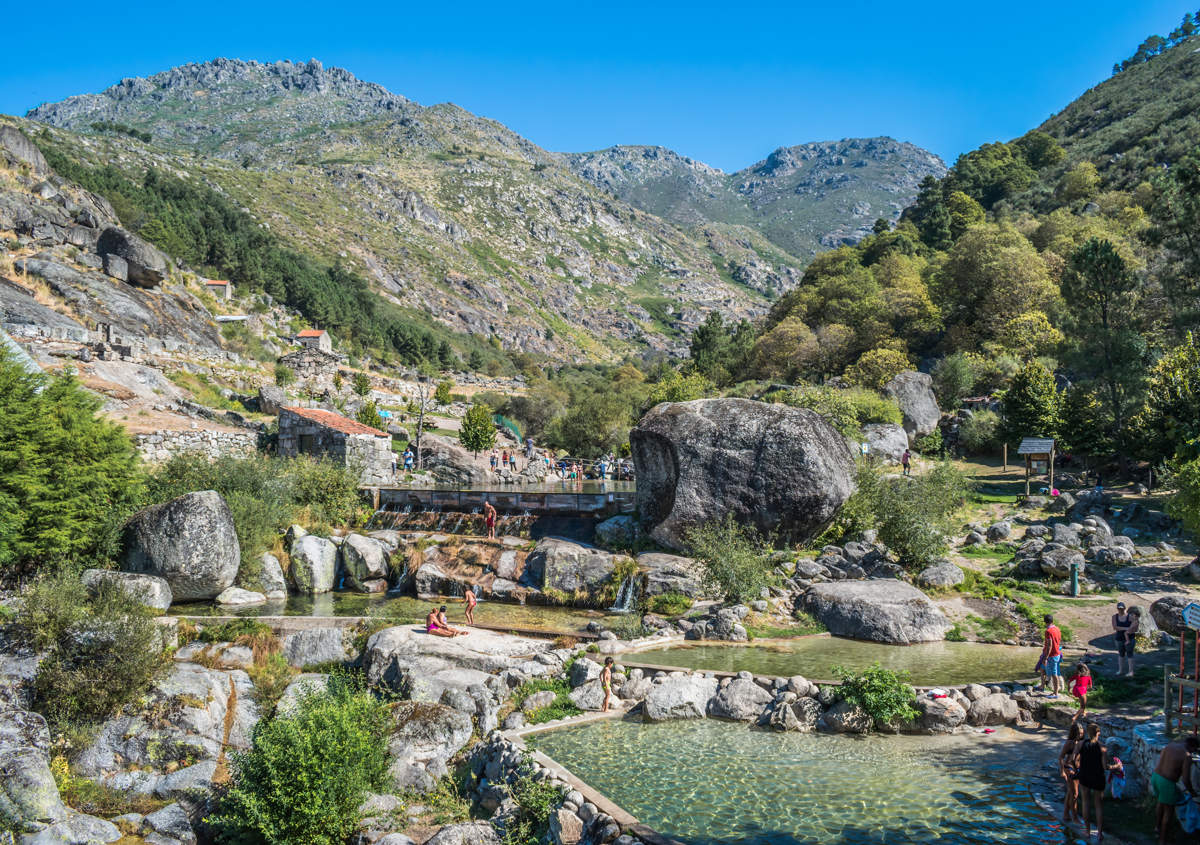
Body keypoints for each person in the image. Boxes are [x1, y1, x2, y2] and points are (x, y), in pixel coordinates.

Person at [1154, 734, 1199, 844]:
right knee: (1169, 811)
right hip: (1167, 782)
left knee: (1160, 803)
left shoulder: (1171, 745)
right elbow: (1186, 780)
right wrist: (1192, 792)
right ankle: (1163, 840)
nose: (1194, 753)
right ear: (1192, 747)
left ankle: (1157, 828)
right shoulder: (1186, 755)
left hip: (1155, 777)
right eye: (1195, 750)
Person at [1074, 722, 1107, 841]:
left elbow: (1074, 758)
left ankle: (1087, 832)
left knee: (1086, 803)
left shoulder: (1081, 744)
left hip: (1085, 776)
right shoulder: (1102, 747)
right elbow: (1104, 767)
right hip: (1098, 777)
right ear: (1098, 733)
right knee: (1098, 806)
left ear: (1088, 733)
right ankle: (1099, 834)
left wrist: (1077, 767)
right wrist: (1116, 767)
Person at [1060, 722, 1084, 825]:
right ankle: (1075, 818)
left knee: (1071, 792)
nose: (1081, 735)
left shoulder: (1081, 742)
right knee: (1075, 794)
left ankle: (1066, 814)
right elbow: (1061, 757)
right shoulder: (1069, 743)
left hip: (1077, 768)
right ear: (1074, 733)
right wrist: (1062, 771)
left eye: (1082, 733)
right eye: (1079, 733)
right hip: (1069, 768)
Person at [1042, 614, 1064, 699]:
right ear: (1052, 621)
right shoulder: (1057, 629)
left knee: (1054, 674)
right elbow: (1058, 640)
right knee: (1047, 671)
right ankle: (1045, 687)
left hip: (1052, 655)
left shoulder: (1048, 631)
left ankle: (1055, 693)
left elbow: (1049, 645)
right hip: (1057, 653)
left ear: (1045, 622)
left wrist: (1046, 657)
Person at [1112, 601, 1135, 676]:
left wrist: (1126, 629)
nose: (1120, 610)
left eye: (1122, 608)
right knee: (1121, 654)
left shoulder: (1130, 617)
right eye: (1119, 608)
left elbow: (1134, 627)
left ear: (1125, 608)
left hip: (1130, 638)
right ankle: (1120, 670)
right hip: (1119, 638)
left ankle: (1131, 671)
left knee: (1129, 654)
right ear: (1117, 609)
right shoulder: (1114, 617)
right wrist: (1127, 628)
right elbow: (1115, 627)